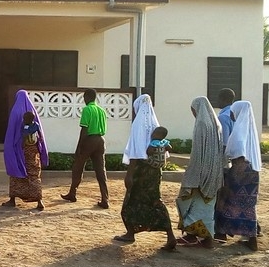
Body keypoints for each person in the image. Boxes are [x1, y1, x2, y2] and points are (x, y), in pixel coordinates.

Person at [114, 95, 177, 250]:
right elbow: (165, 149)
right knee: (155, 201)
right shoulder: (155, 124)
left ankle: (130, 233)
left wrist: (129, 174)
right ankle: (170, 235)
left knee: (131, 202)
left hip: (141, 171)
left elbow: (136, 152)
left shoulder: (138, 125)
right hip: (155, 171)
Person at [175, 96, 224, 249]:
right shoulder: (216, 124)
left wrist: (192, 173)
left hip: (201, 172)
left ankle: (193, 236)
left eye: (193, 110)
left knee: (189, 202)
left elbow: (198, 152)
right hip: (214, 171)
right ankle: (203, 237)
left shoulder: (201, 124)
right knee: (207, 206)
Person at [215, 100, 262, 251]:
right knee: (248, 205)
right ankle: (251, 237)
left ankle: (222, 232)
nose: (231, 114)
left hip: (240, 172)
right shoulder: (249, 131)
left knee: (227, 200)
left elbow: (237, 153)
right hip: (252, 172)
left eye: (233, 112)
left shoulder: (239, 133)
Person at [61, 88, 110, 208]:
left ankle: (72, 193)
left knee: (78, 166)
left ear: (87, 97)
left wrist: (79, 147)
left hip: (89, 140)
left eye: (84, 97)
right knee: (100, 170)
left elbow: (84, 129)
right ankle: (105, 199)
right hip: (100, 140)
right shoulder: (102, 110)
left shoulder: (87, 109)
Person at [2, 91, 49, 211]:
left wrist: (10, 147)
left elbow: (12, 131)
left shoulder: (15, 111)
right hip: (33, 150)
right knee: (34, 174)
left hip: (19, 148)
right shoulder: (32, 110)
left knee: (16, 172)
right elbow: (40, 133)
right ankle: (39, 201)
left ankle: (12, 200)